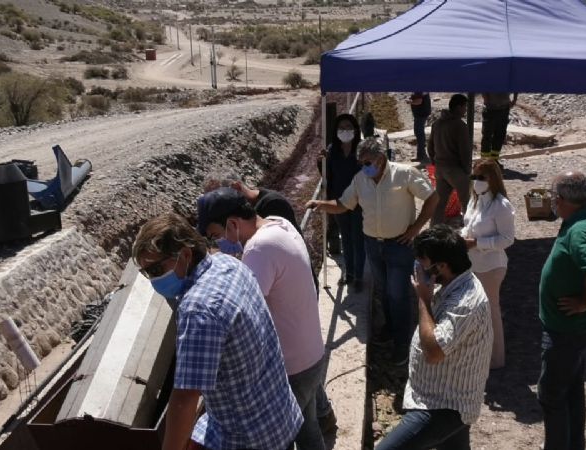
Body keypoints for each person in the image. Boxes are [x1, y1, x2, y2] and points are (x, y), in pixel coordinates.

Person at [132, 213, 302, 450]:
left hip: (252, 439)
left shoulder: (198, 310)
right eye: (146, 273)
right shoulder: (228, 264)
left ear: (186, 255)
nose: (154, 279)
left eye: (156, 269)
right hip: (280, 416)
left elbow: (185, 399)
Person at [197, 188, 327, 450]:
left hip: (291, 367)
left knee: (281, 438)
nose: (218, 243)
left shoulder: (258, 249)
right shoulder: (279, 225)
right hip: (311, 354)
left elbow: (243, 309)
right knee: (307, 425)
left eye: (216, 235)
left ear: (233, 223)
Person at [307, 138, 438, 365]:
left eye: (367, 162)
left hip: (399, 245)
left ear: (381, 159)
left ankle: (402, 345)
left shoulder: (405, 174)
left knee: (398, 295)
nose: (364, 166)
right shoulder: (361, 180)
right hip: (373, 245)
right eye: (361, 162)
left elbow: (432, 197)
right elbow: (344, 204)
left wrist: (415, 228)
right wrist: (320, 204)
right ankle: (388, 328)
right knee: (384, 291)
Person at [375, 225, 493, 450]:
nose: (418, 267)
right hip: (439, 392)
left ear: (441, 267)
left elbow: (434, 351)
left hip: (444, 406)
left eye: (422, 262)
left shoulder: (465, 302)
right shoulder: (450, 282)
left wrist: (423, 299)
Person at [539, 171, 586, 450]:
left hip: (566, 330)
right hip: (575, 328)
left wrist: (583, 301)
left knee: (551, 395)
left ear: (560, 199)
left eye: (553, 198)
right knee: (571, 391)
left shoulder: (580, 230)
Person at [460, 159, 515, 369]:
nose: (477, 181)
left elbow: (507, 239)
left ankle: (495, 358)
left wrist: (477, 243)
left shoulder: (501, 205)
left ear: (493, 179)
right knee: (474, 310)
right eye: (474, 177)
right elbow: (468, 226)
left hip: (491, 267)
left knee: (491, 310)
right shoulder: (475, 200)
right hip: (472, 264)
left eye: (481, 177)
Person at [322, 113, 365, 291]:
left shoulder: (361, 150)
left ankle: (359, 276)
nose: (345, 131)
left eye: (348, 127)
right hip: (339, 201)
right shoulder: (332, 151)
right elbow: (328, 175)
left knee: (358, 238)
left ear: (355, 129)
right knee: (346, 238)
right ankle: (350, 273)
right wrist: (321, 161)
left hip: (359, 201)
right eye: (341, 128)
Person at [428, 94, 473, 227]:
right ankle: (470, 230)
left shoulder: (436, 124)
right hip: (455, 170)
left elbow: (430, 147)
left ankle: (433, 230)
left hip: (440, 169)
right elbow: (465, 151)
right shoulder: (460, 125)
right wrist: (467, 170)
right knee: (467, 203)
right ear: (458, 107)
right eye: (464, 107)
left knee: (440, 204)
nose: (465, 110)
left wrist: (435, 162)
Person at [481, 93, 518, 162]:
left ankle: (494, 160)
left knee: (500, 135)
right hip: (490, 109)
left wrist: (515, 99)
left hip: (504, 109)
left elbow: (516, 83)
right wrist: (486, 98)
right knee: (487, 136)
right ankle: (484, 162)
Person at [409, 92, 431, 163]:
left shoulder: (418, 87)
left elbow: (419, 101)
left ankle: (422, 155)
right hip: (421, 113)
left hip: (421, 114)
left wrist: (410, 102)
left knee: (419, 133)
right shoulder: (420, 85)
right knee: (419, 133)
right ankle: (422, 154)